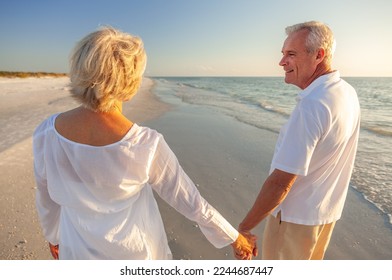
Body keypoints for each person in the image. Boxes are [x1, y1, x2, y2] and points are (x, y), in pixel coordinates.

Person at [33, 27, 256, 260]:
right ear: (128, 83)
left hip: (76, 252)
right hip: (136, 255)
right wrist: (235, 238)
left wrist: (53, 235)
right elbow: (190, 201)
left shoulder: (46, 133)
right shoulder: (145, 144)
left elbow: (45, 195)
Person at [238, 21, 360, 260]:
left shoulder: (312, 105)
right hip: (324, 217)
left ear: (319, 55)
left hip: (294, 221)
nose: (281, 62)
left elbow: (280, 183)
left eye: (291, 54)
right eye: (283, 54)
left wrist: (244, 228)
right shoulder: (346, 91)